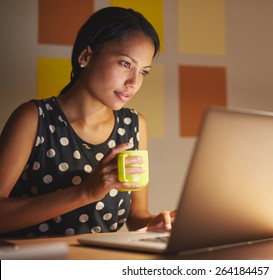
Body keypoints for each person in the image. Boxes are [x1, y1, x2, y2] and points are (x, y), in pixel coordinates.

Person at [0, 7, 175, 237]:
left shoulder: (134, 125)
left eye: (144, 72)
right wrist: (85, 192)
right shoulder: (33, 118)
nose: (134, 82)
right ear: (86, 56)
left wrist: (158, 224)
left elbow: (136, 216)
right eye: (125, 64)